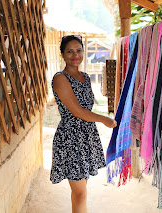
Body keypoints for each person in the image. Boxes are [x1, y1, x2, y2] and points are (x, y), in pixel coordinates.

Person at [50, 35, 117, 213]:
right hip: (70, 138)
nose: (75, 55)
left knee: (80, 190)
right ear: (62, 55)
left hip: (86, 135)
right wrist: (104, 119)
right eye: (70, 51)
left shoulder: (85, 77)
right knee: (80, 192)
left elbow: (87, 106)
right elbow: (77, 111)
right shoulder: (60, 78)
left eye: (78, 50)